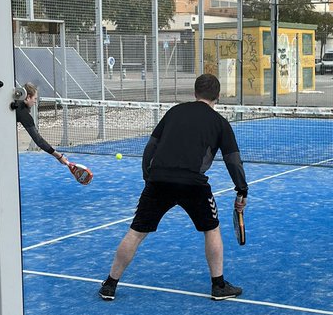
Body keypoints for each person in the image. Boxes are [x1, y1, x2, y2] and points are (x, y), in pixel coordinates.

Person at [99, 73, 248, 302]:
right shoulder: (220, 123)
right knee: (212, 229)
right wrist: (242, 190)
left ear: (195, 93)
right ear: (218, 96)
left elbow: (150, 147)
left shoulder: (174, 112)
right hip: (193, 184)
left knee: (136, 232)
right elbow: (233, 160)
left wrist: (148, 176)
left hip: (158, 180)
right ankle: (218, 286)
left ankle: (110, 284)